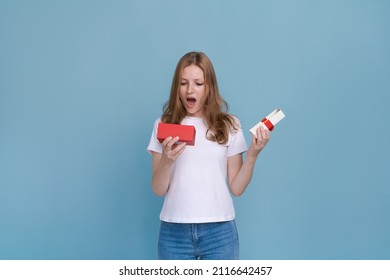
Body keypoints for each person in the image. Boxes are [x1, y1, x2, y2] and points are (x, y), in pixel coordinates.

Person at [147, 51, 270, 260]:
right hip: (174, 232)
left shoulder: (228, 125)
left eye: (198, 83)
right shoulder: (164, 124)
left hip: (220, 232)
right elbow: (158, 189)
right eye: (183, 83)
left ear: (209, 87)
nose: (190, 90)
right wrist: (167, 161)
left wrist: (252, 155)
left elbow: (237, 188)